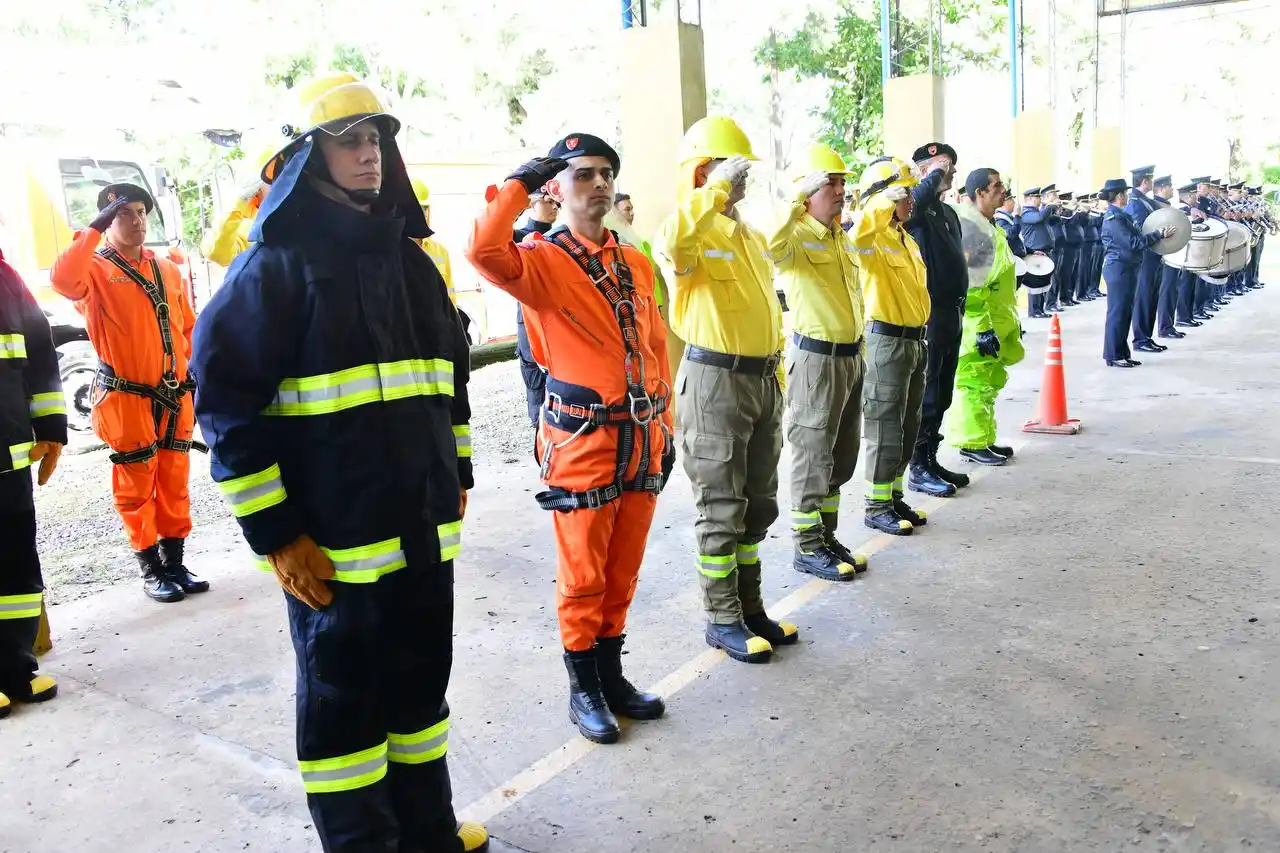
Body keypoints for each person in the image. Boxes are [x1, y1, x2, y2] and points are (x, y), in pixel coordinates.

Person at [190, 74, 488, 853]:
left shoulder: (412, 263)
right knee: (344, 718)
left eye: (377, 139)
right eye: (349, 139)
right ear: (306, 157)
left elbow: (447, 383)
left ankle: (427, 832)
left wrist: (455, 477)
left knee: (421, 701)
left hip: (424, 543)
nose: (369, 154)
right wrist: (277, 534)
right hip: (334, 556)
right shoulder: (275, 267)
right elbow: (224, 405)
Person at [467, 134, 672, 745]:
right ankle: (582, 685)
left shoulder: (633, 261)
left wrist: (665, 417)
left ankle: (611, 676)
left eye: (607, 173)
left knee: (623, 567)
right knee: (583, 572)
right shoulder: (540, 261)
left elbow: (654, 340)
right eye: (583, 174)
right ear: (557, 188)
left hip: (639, 434)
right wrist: (521, 183)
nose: (600, 184)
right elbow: (482, 248)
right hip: (582, 439)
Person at [654, 115, 793, 665]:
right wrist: (710, 191)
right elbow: (671, 240)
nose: (738, 182)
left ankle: (751, 607)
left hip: (762, 379)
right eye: (725, 170)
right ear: (700, 173)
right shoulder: (688, 231)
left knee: (758, 503)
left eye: (740, 173)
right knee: (720, 503)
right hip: (715, 382)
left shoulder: (749, 236)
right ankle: (721, 616)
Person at [50, 183, 208, 603]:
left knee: (174, 480)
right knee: (137, 484)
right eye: (124, 215)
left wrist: (194, 372)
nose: (136, 221)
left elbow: (187, 327)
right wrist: (93, 230)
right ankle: (151, 569)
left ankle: (175, 563)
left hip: (174, 395)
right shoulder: (95, 272)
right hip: (127, 397)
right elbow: (62, 279)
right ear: (108, 221)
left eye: (141, 212)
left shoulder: (167, 269)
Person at [766, 144, 868, 583]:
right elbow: (769, 245)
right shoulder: (796, 237)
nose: (840, 190)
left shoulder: (838, 235)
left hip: (851, 358)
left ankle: (826, 535)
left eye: (843, 182)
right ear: (807, 192)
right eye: (830, 183)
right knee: (812, 455)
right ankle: (806, 546)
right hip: (817, 361)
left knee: (841, 457)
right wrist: (794, 202)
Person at [0, 252, 67, 718]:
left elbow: (41, 353)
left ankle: (16, 665)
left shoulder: (4, 277)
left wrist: (51, 429)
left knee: (17, 569)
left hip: (9, 461)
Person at [848, 158, 930, 535]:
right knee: (884, 427)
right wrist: (879, 205)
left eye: (911, 190)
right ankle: (876, 504)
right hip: (886, 342)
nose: (910, 198)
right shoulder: (871, 239)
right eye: (903, 192)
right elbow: (858, 238)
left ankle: (894, 496)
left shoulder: (905, 240)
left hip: (914, 342)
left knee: (908, 425)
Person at [903, 142, 969, 499]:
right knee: (927, 393)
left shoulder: (947, 213)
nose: (950, 172)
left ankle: (931, 457)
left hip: (951, 311)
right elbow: (915, 201)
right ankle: (918, 466)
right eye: (944, 167)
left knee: (943, 391)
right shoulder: (914, 208)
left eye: (951, 167)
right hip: (929, 313)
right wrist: (932, 174)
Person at [947, 168, 1025, 466]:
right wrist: (981, 328)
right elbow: (973, 287)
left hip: (996, 320)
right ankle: (972, 441)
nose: (1002, 190)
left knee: (989, 381)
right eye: (996, 186)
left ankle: (984, 438)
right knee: (975, 382)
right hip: (980, 324)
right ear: (979, 192)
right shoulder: (974, 231)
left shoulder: (988, 226)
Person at [1101, 177, 1175, 368]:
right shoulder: (1114, 218)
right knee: (1117, 312)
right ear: (1119, 196)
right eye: (1124, 193)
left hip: (1126, 268)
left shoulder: (1120, 215)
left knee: (1125, 312)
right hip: (1119, 269)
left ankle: (1122, 353)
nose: (1126, 196)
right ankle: (1113, 354)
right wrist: (1158, 235)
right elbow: (1133, 243)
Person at [513, 189, 559, 426]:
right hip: (530, 324)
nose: (554, 206)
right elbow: (489, 240)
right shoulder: (518, 236)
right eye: (547, 201)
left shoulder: (564, 237)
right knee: (536, 395)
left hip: (560, 324)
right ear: (531, 203)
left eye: (556, 201)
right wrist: (517, 202)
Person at [1126, 165, 1168, 355]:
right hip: (1145, 255)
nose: (1152, 183)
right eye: (1150, 180)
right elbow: (1141, 228)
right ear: (1144, 181)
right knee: (1143, 296)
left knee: (1151, 296)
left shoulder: (1145, 200)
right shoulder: (1135, 201)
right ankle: (1140, 338)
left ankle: (1147, 337)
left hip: (1153, 254)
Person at [410, 176, 458, 305]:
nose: (422, 215)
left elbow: (450, 294)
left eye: (424, 209)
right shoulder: (392, 252)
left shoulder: (440, 251)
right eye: (417, 209)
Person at [1173, 183, 1205, 330]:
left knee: (1191, 283)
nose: (1195, 198)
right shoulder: (1180, 209)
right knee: (1185, 284)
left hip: (1192, 251)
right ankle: (1183, 316)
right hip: (1184, 253)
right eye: (1193, 195)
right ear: (1186, 197)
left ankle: (1188, 315)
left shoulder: (1191, 209)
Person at [1018, 187, 1053, 318]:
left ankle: (1040, 309)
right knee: (1035, 282)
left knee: (1043, 281)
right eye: (1038, 197)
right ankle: (1034, 310)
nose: (1040, 200)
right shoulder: (1026, 213)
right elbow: (1039, 218)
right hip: (1034, 250)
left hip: (1042, 250)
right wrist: (1049, 204)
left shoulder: (1037, 212)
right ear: (1031, 198)